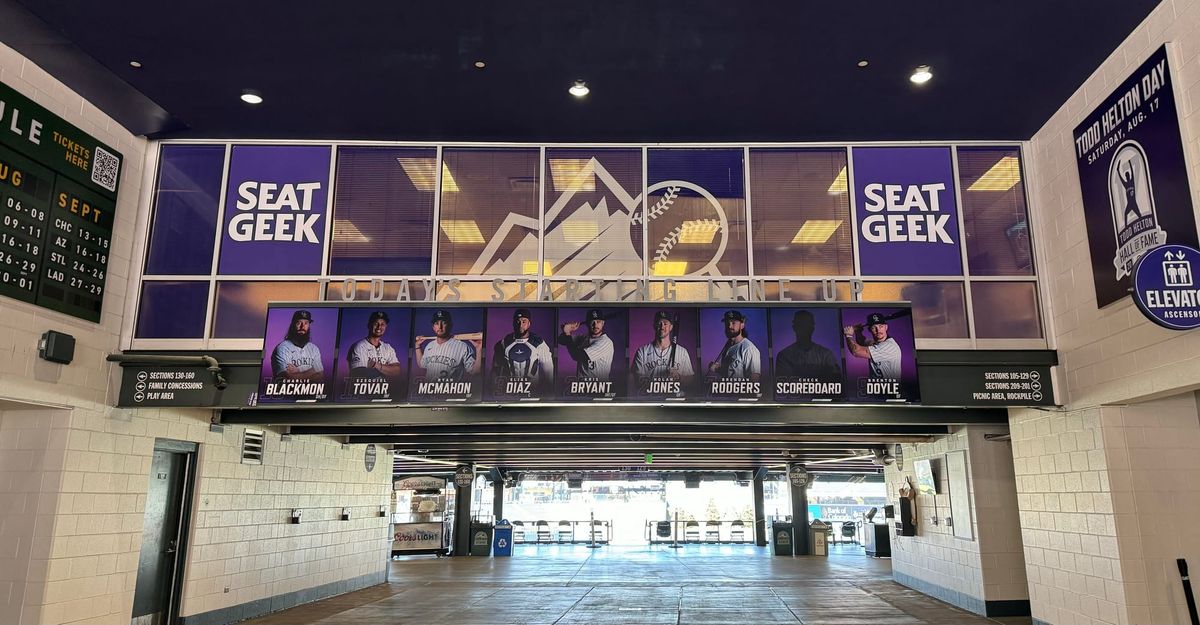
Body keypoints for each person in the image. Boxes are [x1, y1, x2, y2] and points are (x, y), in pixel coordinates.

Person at [491, 308, 555, 391]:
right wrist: (493, 391)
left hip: (533, 392)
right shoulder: (503, 344)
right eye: (518, 321)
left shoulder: (539, 344)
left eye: (524, 321)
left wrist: (548, 394)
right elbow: (495, 371)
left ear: (529, 324)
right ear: (513, 323)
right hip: (509, 392)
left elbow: (549, 371)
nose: (520, 325)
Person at [632, 310, 694, 391]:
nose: (662, 327)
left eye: (665, 324)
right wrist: (661, 385)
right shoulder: (642, 352)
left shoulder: (682, 352)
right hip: (650, 400)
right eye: (659, 323)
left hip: (674, 400)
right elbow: (636, 381)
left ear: (671, 327)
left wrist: (678, 377)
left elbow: (691, 380)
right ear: (654, 326)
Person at [775, 310, 841, 381]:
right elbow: (783, 385)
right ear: (794, 327)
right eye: (801, 325)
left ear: (812, 328)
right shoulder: (784, 356)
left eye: (807, 325)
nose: (804, 329)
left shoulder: (826, 355)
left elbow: (836, 381)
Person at [414, 309, 477, 380]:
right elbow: (422, 364)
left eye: (444, 323)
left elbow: (475, 371)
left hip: (450, 390)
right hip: (429, 390)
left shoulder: (462, 347)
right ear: (433, 327)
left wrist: (479, 349)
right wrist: (417, 346)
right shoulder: (429, 346)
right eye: (436, 323)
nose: (440, 327)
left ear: (450, 326)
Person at [558, 308, 614, 380]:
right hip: (582, 387)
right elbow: (562, 340)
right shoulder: (584, 338)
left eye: (598, 321)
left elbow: (577, 356)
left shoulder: (605, 342)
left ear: (603, 323)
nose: (595, 325)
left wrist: (567, 332)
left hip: (598, 387)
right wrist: (566, 331)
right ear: (587, 324)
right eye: (592, 322)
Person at [271, 309, 324, 382]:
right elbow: (287, 377)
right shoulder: (283, 348)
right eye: (299, 323)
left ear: (309, 326)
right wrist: (312, 371)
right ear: (292, 325)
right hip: (288, 392)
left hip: (311, 392)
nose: (302, 327)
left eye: (306, 323)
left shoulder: (314, 349)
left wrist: (298, 372)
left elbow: (320, 376)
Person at [707, 310, 761, 381]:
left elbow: (754, 380)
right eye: (727, 323)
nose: (729, 326)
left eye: (733, 323)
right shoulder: (728, 347)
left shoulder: (749, 349)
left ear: (742, 325)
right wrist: (718, 368)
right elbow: (731, 374)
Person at [844, 312, 902, 379]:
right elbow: (862, 341)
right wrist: (858, 331)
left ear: (886, 327)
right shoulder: (875, 344)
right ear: (869, 330)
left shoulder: (890, 346)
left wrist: (848, 335)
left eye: (881, 326)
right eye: (874, 327)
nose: (878, 330)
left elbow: (856, 351)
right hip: (876, 388)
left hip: (890, 389)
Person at [346, 311, 402, 379]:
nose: (379, 327)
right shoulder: (359, 347)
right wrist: (387, 370)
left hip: (384, 389)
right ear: (369, 325)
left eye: (382, 324)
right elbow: (359, 374)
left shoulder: (388, 348)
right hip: (365, 389)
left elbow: (397, 371)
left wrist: (376, 365)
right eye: (376, 323)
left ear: (385, 327)